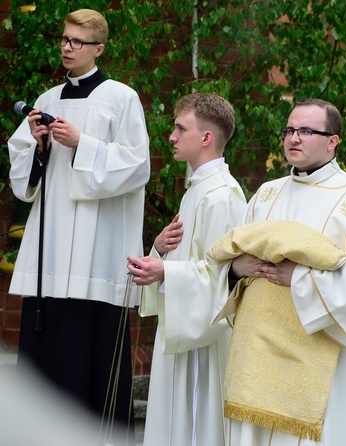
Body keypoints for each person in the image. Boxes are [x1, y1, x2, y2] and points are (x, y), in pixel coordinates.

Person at [7, 9, 150, 444]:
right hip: (52, 250)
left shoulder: (121, 98)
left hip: (97, 251)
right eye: (65, 39)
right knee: (47, 351)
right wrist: (39, 145)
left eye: (78, 42)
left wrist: (82, 144)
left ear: (99, 48)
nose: (68, 47)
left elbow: (137, 164)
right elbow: (23, 180)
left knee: (89, 355)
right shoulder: (47, 99)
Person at [222, 98, 346, 445]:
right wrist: (235, 269)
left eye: (306, 131)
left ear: (333, 141)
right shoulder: (266, 194)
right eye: (289, 130)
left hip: (321, 354)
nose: (293, 138)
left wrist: (299, 279)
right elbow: (236, 254)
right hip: (259, 350)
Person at [126, 93, 246, 445]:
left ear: (206, 137)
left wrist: (165, 273)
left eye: (181, 128)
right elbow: (194, 262)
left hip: (200, 339)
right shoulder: (196, 190)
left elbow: (224, 277)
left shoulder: (222, 195)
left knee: (193, 426)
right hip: (180, 327)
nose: (172, 137)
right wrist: (159, 251)